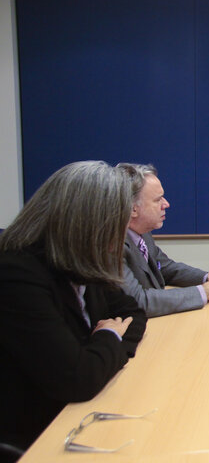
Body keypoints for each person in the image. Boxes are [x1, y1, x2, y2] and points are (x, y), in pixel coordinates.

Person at [0, 161, 147, 454]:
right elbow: (77, 379)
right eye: (116, 225)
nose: (119, 238)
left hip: (80, 411)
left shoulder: (79, 264)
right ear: (89, 224)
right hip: (39, 435)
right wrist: (109, 338)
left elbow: (134, 313)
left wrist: (99, 351)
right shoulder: (17, 275)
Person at [116, 163, 209, 317]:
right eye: (158, 200)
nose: (166, 204)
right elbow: (138, 301)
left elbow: (165, 268)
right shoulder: (113, 245)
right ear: (133, 208)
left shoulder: (143, 233)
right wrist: (204, 292)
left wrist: (207, 277)